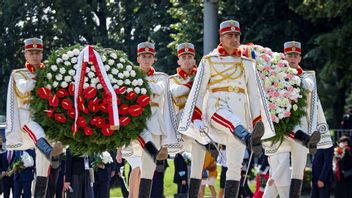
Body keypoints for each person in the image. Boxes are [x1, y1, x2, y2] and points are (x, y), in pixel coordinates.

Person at [178, 20, 270, 197]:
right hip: (217, 107)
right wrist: (196, 116)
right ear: (221, 37)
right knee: (229, 121)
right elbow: (199, 89)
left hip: (240, 113)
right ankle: (248, 138)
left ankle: (247, 136)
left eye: (237, 36)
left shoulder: (247, 62)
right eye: (230, 36)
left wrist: (257, 120)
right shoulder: (209, 60)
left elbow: (253, 94)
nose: (234, 39)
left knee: (234, 169)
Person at [5, 37, 62, 197]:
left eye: (38, 52)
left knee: (43, 163)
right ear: (25, 54)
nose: (35, 56)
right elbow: (24, 88)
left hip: (45, 117)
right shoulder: (18, 73)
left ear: (42, 54)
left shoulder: (50, 73)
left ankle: (40, 194)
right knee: (39, 134)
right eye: (31, 52)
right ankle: (53, 154)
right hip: (27, 118)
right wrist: (43, 77)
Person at [135, 41, 177, 198]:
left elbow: (159, 89)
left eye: (149, 57)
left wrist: (138, 84)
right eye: (143, 56)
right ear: (138, 58)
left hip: (155, 123)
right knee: (143, 162)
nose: (146, 60)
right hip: (137, 119)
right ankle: (154, 152)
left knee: (148, 169)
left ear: (154, 60)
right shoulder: (130, 75)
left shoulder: (161, 77)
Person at [169, 42, 207, 197]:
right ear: (178, 61)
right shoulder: (172, 79)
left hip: (201, 125)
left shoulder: (204, 76)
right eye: (183, 57)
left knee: (197, 169)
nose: (187, 60)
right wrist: (194, 84)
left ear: (194, 60)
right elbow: (176, 94)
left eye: (189, 57)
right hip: (181, 126)